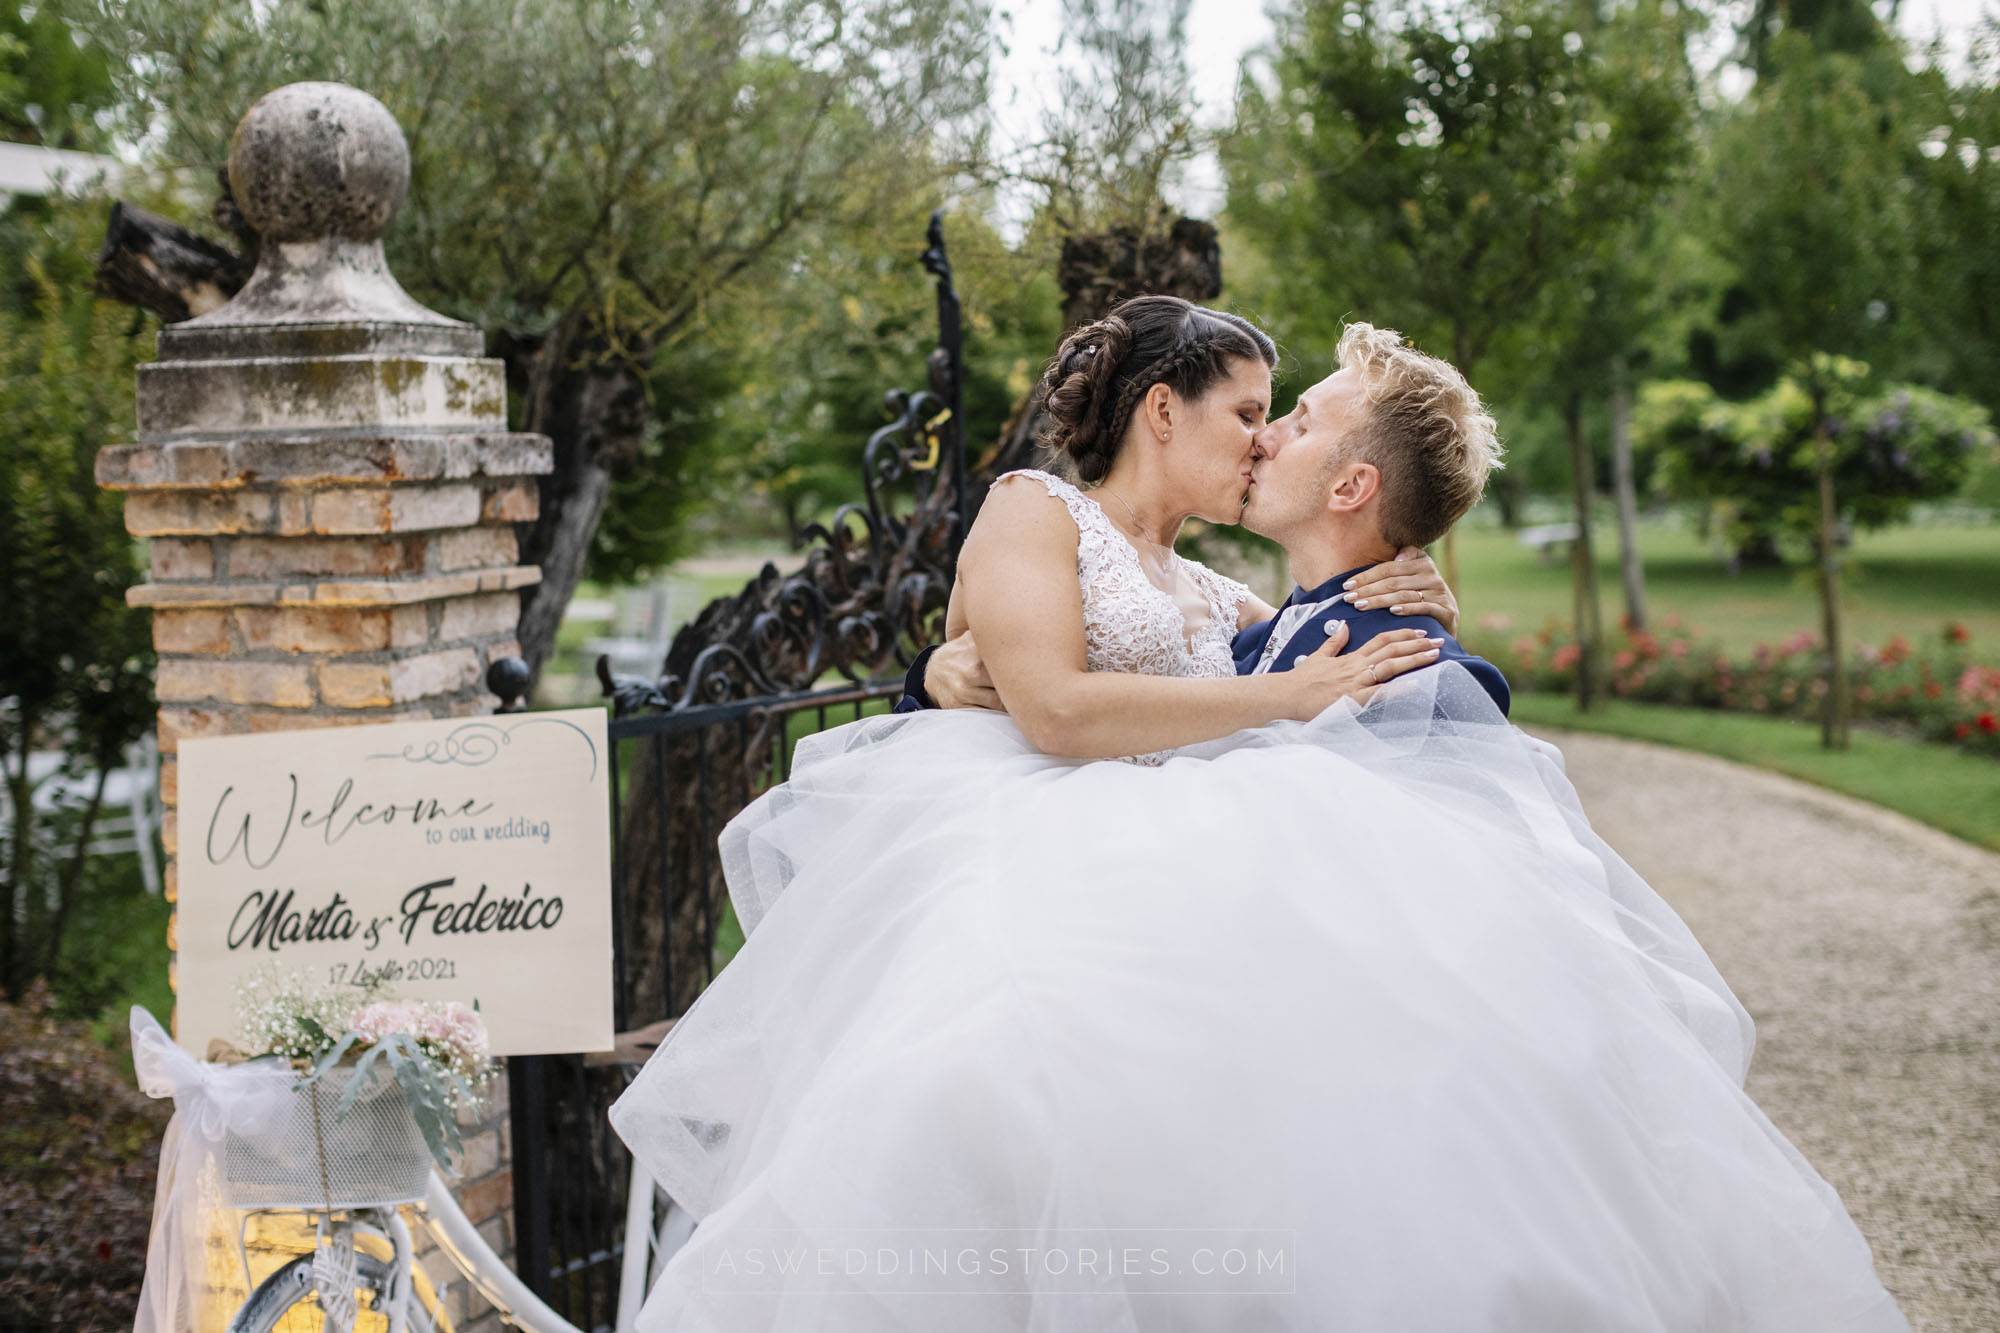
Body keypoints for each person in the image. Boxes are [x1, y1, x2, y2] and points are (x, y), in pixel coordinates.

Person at [611, 297, 1910, 1331]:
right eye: (1248, 412)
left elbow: (1323, 652)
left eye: (1283, 417)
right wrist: (948, 673)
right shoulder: (1037, 510)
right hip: (1043, 872)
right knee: (976, 1120)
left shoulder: (1224, 595)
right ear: (1161, 410)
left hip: (1175, 908)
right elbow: (1064, 700)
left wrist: (1385, 626)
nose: (1263, 436)